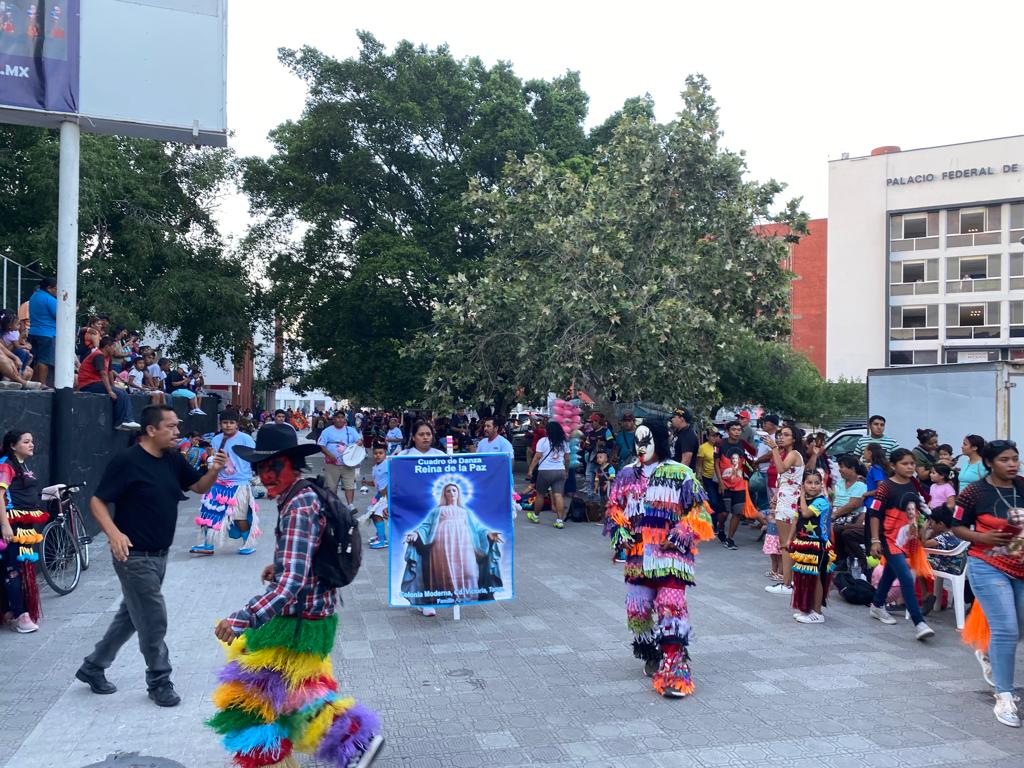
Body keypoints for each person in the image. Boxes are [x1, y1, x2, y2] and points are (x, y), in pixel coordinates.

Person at [212, 423, 384, 767]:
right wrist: (278, 568)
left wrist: (241, 618)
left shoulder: (299, 505)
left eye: (274, 466)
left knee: (253, 697)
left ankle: (350, 744)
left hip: (297, 621)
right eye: (261, 468)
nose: (266, 475)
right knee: (297, 692)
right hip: (311, 615)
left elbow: (291, 581)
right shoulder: (303, 495)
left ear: (293, 464)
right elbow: (303, 561)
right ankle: (357, 744)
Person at [76, 404, 227, 707]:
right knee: (154, 619)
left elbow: (198, 487)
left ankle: (93, 666)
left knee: (132, 616)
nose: (177, 432)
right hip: (133, 556)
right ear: (150, 430)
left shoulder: (173, 459)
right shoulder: (127, 461)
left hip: (160, 554)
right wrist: (114, 534)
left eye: (177, 426)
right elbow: (97, 501)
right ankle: (159, 680)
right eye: (170, 426)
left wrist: (214, 471)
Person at [604, 422, 713, 697]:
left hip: (672, 558)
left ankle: (675, 672)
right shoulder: (626, 474)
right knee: (638, 610)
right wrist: (620, 531)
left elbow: (700, 512)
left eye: (646, 441)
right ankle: (652, 652)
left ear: (661, 442)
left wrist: (679, 536)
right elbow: (614, 507)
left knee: (670, 607)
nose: (640, 448)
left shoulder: (681, 473)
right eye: (637, 442)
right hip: (638, 557)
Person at [951, 439, 1024, 727]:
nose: (1012, 464)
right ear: (990, 463)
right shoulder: (974, 492)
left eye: (1015, 458)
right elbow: (956, 526)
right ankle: (1004, 695)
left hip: (1020, 565)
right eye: (1005, 459)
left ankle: (990, 653)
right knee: (1006, 628)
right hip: (987, 565)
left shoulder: (1022, 486)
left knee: (1018, 628)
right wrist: (981, 537)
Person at [866, 448, 935, 641]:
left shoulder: (913, 484)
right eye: (905, 464)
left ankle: (877, 605)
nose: (910, 467)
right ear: (893, 466)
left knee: (891, 571)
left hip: (908, 540)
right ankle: (919, 623)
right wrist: (875, 540)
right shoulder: (886, 487)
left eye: (912, 463)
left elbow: (920, 508)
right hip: (889, 539)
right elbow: (874, 514)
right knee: (905, 575)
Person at [401, 480, 503, 606]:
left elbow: (478, 528)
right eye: (448, 491)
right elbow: (426, 526)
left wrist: (489, 534)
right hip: (441, 544)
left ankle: (468, 595)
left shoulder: (466, 512)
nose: (451, 493)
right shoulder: (438, 511)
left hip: (465, 544)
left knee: (469, 569)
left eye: (454, 490)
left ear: (458, 493)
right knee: (444, 571)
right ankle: (445, 597)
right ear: (444, 494)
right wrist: (416, 534)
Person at [191, 410, 260, 556]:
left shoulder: (246, 439)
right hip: (219, 482)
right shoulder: (216, 439)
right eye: (225, 423)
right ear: (220, 424)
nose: (228, 425)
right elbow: (215, 459)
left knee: (239, 517)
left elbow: (254, 459)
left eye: (231, 423)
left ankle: (248, 542)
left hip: (239, 483)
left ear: (237, 424)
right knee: (209, 514)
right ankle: (208, 544)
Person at [0, 430, 48, 633]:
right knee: (13, 569)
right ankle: (21, 615)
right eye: (26, 441)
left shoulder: (22, 465)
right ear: (13, 445)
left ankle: (11, 612)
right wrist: (5, 525)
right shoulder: (6, 465)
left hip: (25, 526)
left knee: (21, 567)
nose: (31, 444)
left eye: (32, 441)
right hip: (11, 525)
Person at [790, 470, 836, 624]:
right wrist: (789, 539)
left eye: (817, 483)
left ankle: (818, 613)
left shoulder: (821, 501)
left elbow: (806, 514)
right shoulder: (802, 500)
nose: (813, 486)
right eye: (809, 482)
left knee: (816, 578)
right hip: (804, 543)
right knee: (806, 577)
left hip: (819, 545)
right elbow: (796, 520)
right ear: (803, 484)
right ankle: (808, 609)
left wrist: (802, 495)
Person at [763, 426, 805, 595]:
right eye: (780, 435)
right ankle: (790, 581)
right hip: (787, 501)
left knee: (786, 544)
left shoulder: (793, 454)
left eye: (786, 435)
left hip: (788, 504)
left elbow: (781, 469)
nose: (781, 437)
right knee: (788, 543)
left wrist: (773, 448)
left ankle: (787, 583)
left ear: (794, 439)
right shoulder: (791, 454)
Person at [76, 335, 141, 431]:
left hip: (97, 383)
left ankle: (128, 420)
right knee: (120, 394)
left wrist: (113, 386)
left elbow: (109, 372)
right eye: (113, 347)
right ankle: (120, 422)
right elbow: (103, 374)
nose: (115, 349)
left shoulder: (108, 357)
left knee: (122, 392)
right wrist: (110, 391)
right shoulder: (98, 355)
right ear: (107, 347)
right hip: (88, 384)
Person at [717, 420, 757, 550]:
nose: (736, 432)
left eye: (739, 430)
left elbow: (753, 456)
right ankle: (720, 527)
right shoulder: (720, 444)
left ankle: (730, 539)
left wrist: (749, 468)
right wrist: (720, 482)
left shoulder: (743, 444)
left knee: (737, 513)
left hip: (740, 484)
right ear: (728, 431)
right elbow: (716, 463)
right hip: (725, 484)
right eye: (733, 429)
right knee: (724, 513)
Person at [525, 421, 570, 528]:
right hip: (559, 471)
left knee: (540, 494)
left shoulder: (542, 441)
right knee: (558, 495)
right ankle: (559, 521)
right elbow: (567, 459)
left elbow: (537, 457)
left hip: (545, 471)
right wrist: (566, 470)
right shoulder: (564, 443)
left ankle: (535, 516)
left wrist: (530, 470)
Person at [832, 455, 868, 575]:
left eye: (842, 467)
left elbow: (853, 504)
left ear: (852, 468)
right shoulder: (839, 483)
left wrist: (834, 515)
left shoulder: (860, 485)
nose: (840, 470)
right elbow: (833, 499)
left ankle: (841, 559)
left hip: (850, 514)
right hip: (836, 513)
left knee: (836, 528)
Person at [318, 411, 363, 506]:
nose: (340, 419)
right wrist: (330, 455)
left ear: (345, 419)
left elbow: (359, 440)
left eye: (342, 417)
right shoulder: (327, 431)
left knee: (349, 485)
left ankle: (350, 505)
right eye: (338, 417)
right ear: (333, 419)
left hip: (348, 464)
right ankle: (333, 506)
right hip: (332, 464)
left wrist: (359, 442)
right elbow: (321, 445)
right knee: (331, 487)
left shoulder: (351, 430)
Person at [26, 276, 56, 385]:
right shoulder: (50, 299)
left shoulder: (34, 296)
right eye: (56, 289)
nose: (57, 291)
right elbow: (60, 315)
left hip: (33, 332)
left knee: (36, 360)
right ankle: (42, 384)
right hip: (47, 334)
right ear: (49, 288)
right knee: (44, 360)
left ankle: (35, 384)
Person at [366, 444, 389, 550]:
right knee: (371, 513)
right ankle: (381, 535)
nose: (378, 455)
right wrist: (367, 483)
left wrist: (386, 490)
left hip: (386, 495)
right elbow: (377, 483)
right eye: (375, 453)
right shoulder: (375, 467)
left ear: (385, 454)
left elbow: (394, 478)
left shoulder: (387, 464)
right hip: (379, 495)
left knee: (377, 515)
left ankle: (382, 541)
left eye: (381, 453)